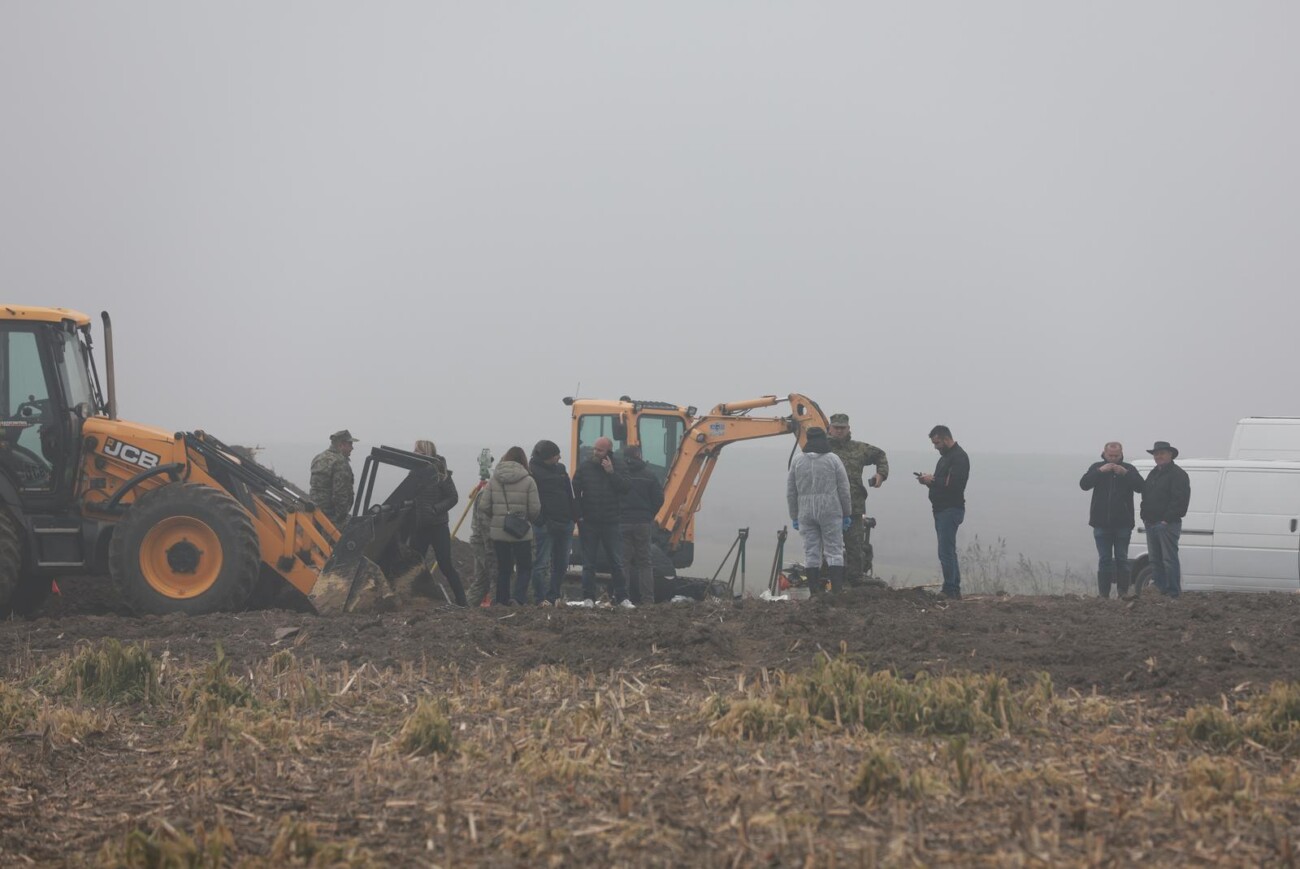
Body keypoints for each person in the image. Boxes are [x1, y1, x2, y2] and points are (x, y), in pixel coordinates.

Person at [786, 427, 852, 593]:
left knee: (811, 551)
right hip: (830, 511)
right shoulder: (833, 459)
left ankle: (814, 593)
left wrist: (794, 516)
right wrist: (846, 513)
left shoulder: (797, 461)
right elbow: (844, 489)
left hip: (806, 513)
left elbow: (791, 491)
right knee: (834, 550)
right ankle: (836, 591)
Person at [827, 412, 889, 583]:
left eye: (842, 428)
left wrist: (881, 474)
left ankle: (855, 578)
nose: (839, 431)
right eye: (836, 428)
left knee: (855, 545)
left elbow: (880, 455)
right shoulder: (822, 449)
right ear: (830, 429)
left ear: (848, 429)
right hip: (828, 506)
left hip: (854, 506)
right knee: (827, 546)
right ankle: (827, 579)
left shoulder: (858, 449)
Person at [572, 436, 634, 607]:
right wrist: (580, 517)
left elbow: (626, 488)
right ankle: (588, 598)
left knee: (616, 561)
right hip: (589, 522)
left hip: (611, 521)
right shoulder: (585, 467)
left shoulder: (619, 466)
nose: (595, 452)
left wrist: (611, 473)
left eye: (599, 450)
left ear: (608, 451)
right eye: (595, 449)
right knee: (588, 563)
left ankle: (622, 597)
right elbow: (574, 492)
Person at [1079, 441, 1144, 598]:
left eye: (1116, 456)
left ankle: (1123, 593)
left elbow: (1141, 487)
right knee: (1105, 559)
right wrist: (1100, 471)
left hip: (1123, 524)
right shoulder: (1097, 467)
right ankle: (1104, 595)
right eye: (1110, 456)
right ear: (1104, 453)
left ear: (1121, 454)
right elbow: (1084, 484)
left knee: (1122, 559)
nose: (1113, 459)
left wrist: (1125, 474)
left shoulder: (1129, 468)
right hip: (1101, 524)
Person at [479, 446, 541, 605]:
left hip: (499, 532)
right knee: (525, 567)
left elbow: (484, 506)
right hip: (521, 532)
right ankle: (518, 598)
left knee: (504, 569)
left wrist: (499, 516)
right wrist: (525, 519)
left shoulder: (494, 480)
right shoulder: (529, 480)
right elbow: (535, 510)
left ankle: (501, 600)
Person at [408, 440, 468, 607]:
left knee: (445, 564)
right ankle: (413, 598)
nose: (414, 452)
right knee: (414, 564)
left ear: (426, 452)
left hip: (438, 525)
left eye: (417, 450)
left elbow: (453, 497)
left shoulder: (440, 472)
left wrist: (435, 509)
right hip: (419, 527)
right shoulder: (414, 471)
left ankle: (462, 602)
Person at [917, 425, 969, 600]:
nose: (935, 447)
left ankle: (950, 590)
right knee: (948, 551)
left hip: (950, 510)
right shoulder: (945, 458)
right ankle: (953, 588)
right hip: (941, 510)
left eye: (937, 443)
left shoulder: (959, 457)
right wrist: (930, 480)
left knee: (945, 551)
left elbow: (953, 484)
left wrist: (931, 480)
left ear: (946, 439)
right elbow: (943, 481)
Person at [528, 439, 578, 606]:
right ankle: (540, 599)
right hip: (546, 525)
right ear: (547, 457)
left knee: (562, 563)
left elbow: (569, 493)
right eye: (556, 455)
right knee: (541, 564)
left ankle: (554, 596)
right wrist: (541, 520)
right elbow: (532, 499)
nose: (559, 457)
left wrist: (574, 516)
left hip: (565, 522)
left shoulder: (561, 469)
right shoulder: (532, 472)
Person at [1140, 440, 1190, 597]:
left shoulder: (1178, 475)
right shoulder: (1153, 473)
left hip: (1167, 525)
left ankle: (1173, 593)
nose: (1158, 456)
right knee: (1155, 561)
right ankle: (1159, 591)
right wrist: (1144, 515)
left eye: (1162, 453)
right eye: (1156, 454)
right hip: (1151, 523)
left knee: (1169, 560)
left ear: (1170, 455)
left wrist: (1166, 520)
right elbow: (1146, 495)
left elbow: (1180, 501)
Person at [620, 445, 665, 605]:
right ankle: (648, 599)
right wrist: (649, 515)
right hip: (643, 523)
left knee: (623, 561)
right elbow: (659, 499)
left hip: (623, 522)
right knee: (645, 562)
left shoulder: (619, 474)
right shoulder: (650, 475)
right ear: (639, 455)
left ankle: (622, 598)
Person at [310, 429, 358, 527]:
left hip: (315, 511)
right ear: (341, 445)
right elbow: (340, 493)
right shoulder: (340, 462)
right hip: (331, 516)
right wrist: (341, 517)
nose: (352, 448)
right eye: (350, 444)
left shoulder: (318, 457)